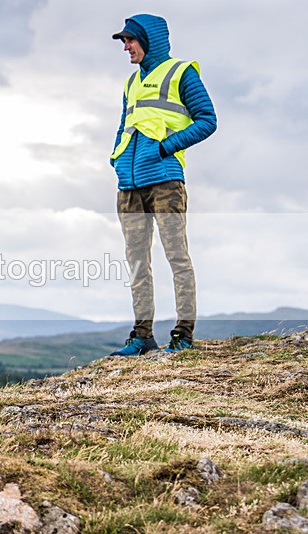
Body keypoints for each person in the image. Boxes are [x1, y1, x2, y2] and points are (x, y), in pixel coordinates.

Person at [108, 14, 217, 356]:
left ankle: (183, 334)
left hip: (166, 181)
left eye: (130, 40)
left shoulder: (181, 73)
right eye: (123, 41)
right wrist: (115, 157)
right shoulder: (131, 82)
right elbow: (124, 124)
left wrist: (166, 147)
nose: (125, 46)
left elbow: (208, 120)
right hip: (129, 183)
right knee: (136, 262)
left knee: (176, 257)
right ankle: (142, 335)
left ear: (148, 39)